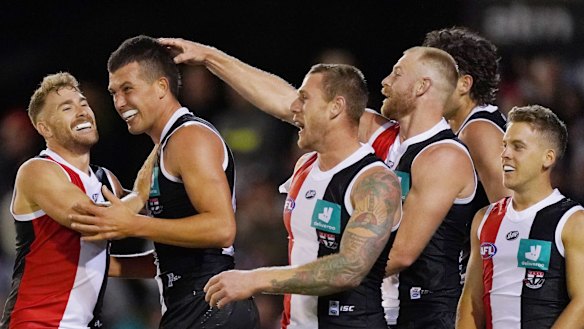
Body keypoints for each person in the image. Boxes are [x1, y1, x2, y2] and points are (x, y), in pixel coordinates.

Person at [159, 38, 477, 328]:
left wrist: (283, 275)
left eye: (396, 74)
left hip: (420, 317)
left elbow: (398, 255)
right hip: (357, 308)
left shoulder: (442, 155)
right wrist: (211, 57)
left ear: (422, 87)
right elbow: (290, 103)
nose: (385, 82)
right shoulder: (379, 133)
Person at [68, 35, 259, 329]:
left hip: (211, 307)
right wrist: (93, 265)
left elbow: (222, 229)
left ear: (161, 87)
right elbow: (171, 260)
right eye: (114, 92)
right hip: (194, 307)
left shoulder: (189, 138)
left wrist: (132, 225)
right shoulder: (163, 149)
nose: (119, 103)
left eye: (128, 89)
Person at [203, 63, 402, 328]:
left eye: (305, 98)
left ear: (336, 107)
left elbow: (349, 269)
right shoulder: (304, 166)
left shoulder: (374, 181)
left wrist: (255, 280)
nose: (295, 107)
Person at [0, 72, 153, 329]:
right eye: (67, 107)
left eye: (84, 104)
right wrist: (162, 143)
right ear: (44, 128)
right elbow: (95, 221)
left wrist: (166, 261)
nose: (82, 111)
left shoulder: (105, 179)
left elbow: (155, 214)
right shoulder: (37, 170)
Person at [457, 105, 584, 328]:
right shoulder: (484, 219)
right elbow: (471, 301)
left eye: (518, 147)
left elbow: (581, 302)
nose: (505, 154)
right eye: (505, 145)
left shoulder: (572, 221)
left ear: (548, 158)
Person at [422, 26, 510, 205]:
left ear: (464, 84)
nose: (424, 86)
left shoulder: (478, 131)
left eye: (435, 76)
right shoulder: (459, 126)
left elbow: (509, 209)